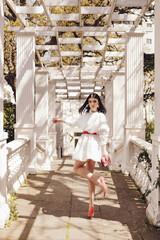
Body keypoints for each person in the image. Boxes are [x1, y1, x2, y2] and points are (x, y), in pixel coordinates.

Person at [53, 93, 110, 218]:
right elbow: (74, 122)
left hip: (92, 142)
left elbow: (104, 132)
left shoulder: (100, 116)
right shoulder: (85, 115)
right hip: (86, 141)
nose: (92, 103)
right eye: (90, 101)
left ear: (99, 103)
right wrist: (60, 120)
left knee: (77, 168)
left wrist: (104, 150)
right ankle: (91, 206)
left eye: (94, 101)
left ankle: (98, 181)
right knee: (89, 176)